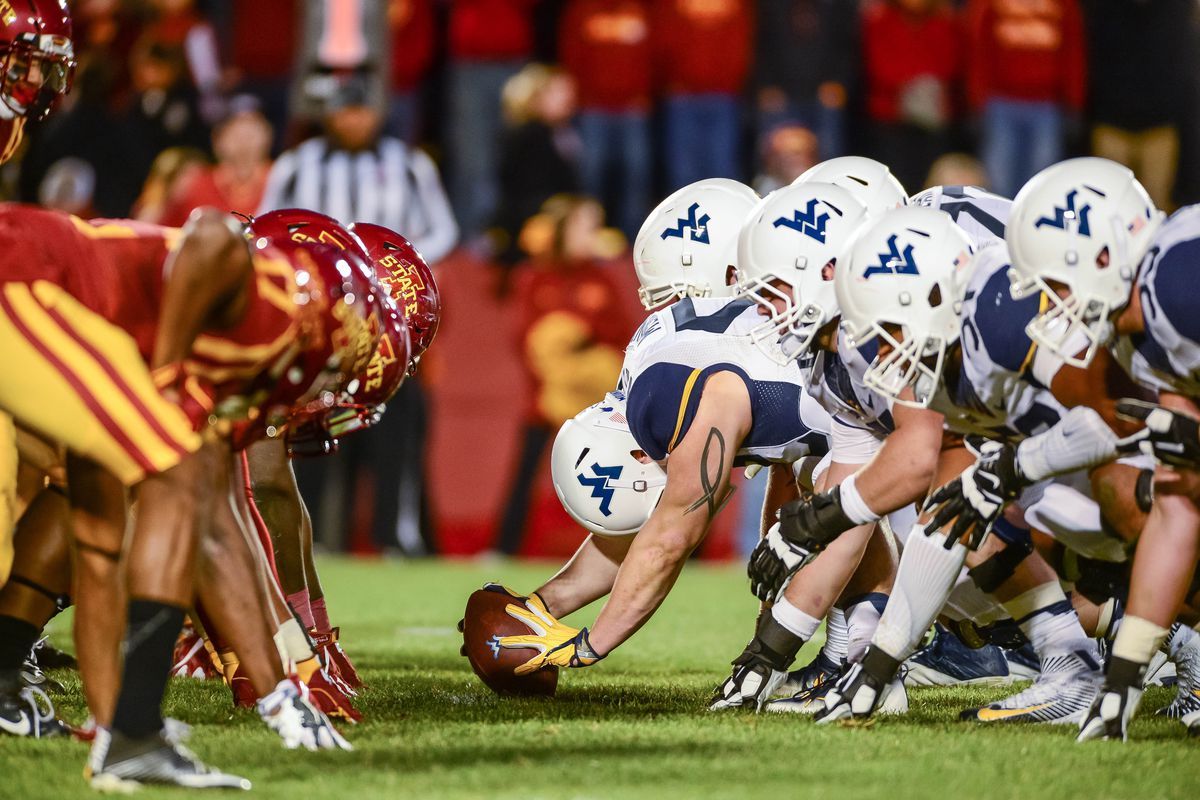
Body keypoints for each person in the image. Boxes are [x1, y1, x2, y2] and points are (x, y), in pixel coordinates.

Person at [1002, 157, 1200, 739]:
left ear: (1106, 256)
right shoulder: (1142, 335)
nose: (1052, 304)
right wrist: (1124, 675)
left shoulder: (1183, 281)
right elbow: (1177, 503)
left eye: (1057, 284)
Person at [495, 196, 632, 555]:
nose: (592, 235)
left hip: (594, 399)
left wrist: (580, 332)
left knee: (626, 470)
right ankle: (504, 547)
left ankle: (633, 543)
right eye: (585, 226)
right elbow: (524, 337)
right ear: (563, 230)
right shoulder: (534, 276)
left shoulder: (601, 279)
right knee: (525, 470)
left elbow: (619, 334)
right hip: (545, 396)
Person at [964, 0, 1085, 199]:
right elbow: (979, 49)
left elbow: (1072, 51)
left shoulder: (1064, 5)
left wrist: (1074, 102)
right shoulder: (989, 4)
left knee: (1042, 184)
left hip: (1046, 104)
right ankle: (997, 229)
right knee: (997, 182)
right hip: (1001, 102)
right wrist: (977, 102)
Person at [559, 0, 653, 240]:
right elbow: (571, 54)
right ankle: (589, 237)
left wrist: (646, 92)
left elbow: (656, 52)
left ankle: (635, 238)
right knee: (591, 175)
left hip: (633, 107)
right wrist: (580, 97)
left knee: (636, 174)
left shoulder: (640, 8)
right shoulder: (582, 9)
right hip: (593, 107)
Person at [653, 0, 753, 188]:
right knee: (682, 173)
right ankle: (681, 216)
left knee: (723, 168)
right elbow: (662, 39)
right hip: (682, 96)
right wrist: (670, 80)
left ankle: (727, 216)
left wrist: (731, 81)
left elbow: (742, 42)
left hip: (724, 95)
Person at [494, 65, 581, 265]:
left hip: (551, 219)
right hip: (531, 224)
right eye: (559, 92)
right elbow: (528, 191)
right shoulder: (530, 135)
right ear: (537, 97)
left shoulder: (560, 133)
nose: (569, 99)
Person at [158, 99, 275, 225]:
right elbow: (164, 232)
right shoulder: (196, 184)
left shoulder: (282, 179)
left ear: (268, 137)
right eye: (236, 132)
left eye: (251, 132)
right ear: (217, 140)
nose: (244, 141)